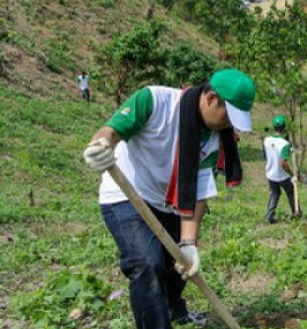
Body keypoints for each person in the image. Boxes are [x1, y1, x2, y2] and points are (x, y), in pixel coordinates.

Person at [82, 68, 255, 329]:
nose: (229, 124)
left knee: (179, 267)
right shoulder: (155, 101)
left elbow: (196, 194)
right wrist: (100, 146)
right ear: (210, 99)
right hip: (127, 194)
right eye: (228, 116)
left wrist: (189, 243)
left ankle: (175, 310)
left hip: (170, 202)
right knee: (147, 263)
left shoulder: (213, 138)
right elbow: (110, 131)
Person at [263, 115, 299, 224]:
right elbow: (283, 164)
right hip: (282, 175)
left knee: (274, 194)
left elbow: (266, 155)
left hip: (271, 174)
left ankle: (269, 216)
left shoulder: (266, 140)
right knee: (291, 193)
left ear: (274, 127)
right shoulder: (285, 144)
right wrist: (292, 175)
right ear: (284, 128)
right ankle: (296, 213)